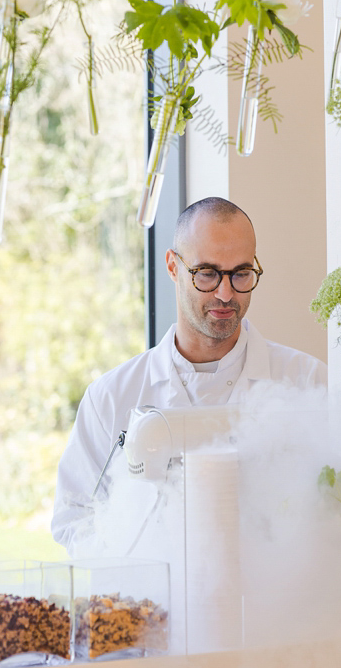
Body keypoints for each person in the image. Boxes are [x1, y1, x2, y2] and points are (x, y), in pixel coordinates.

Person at [51, 196, 326, 552]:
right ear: (172, 267)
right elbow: (73, 517)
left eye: (241, 273)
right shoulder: (112, 397)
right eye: (207, 274)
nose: (226, 294)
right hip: (151, 602)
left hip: (271, 603)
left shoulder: (307, 383)